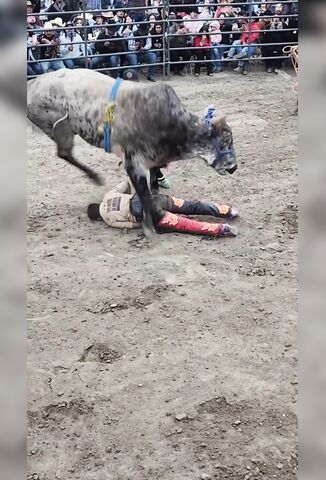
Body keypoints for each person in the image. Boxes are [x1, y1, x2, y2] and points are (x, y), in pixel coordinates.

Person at [87, 179, 238, 237]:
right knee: (191, 205)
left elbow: (133, 225)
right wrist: (128, 196)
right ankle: (227, 210)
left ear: (98, 217)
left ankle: (222, 229)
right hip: (154, 199)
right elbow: (126, 183)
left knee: (187, 224)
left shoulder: (108, 219)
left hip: (152, 214)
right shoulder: (108, 195)